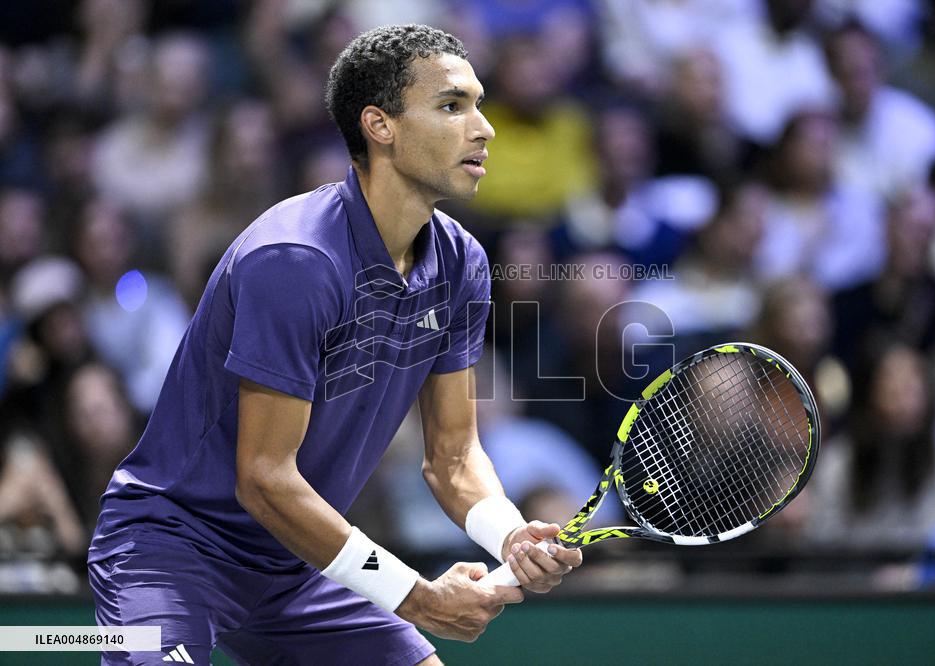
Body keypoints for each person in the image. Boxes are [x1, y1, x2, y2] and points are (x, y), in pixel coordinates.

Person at [88, 25, 581, 665]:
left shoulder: (463, 263)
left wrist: (510, 535)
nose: (484, 128)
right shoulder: (294, 260)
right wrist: (416, 596)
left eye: (479, 104)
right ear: (380, 126)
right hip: (173, 549)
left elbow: (454, 456)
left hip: (297, 559)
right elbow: (264, 481)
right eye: (453, 106)